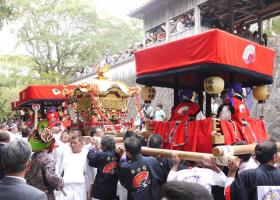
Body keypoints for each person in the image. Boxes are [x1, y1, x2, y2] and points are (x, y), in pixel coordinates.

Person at [26, 129, 64, 200]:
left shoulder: (33, 156)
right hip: (43, 194)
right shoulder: (48, 158)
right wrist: (60, 183)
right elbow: (50, 176)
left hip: (31, 192)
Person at [56, 135, 92, 200]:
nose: (72, 145)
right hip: (65, 186)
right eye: (71, 143)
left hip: (80, 187)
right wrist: (58, 180)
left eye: (75, 143)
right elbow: (57, 167)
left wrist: (89, 189)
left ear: (81, 144)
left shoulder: (86, 154)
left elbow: (89, 173)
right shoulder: (65, 153)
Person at [87, 135, 119, 200]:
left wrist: (94, 148)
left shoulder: (101, 154)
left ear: (104, 146)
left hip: (100, 190)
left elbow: (90, 156)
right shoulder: (118, 154)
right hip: (112, 191)